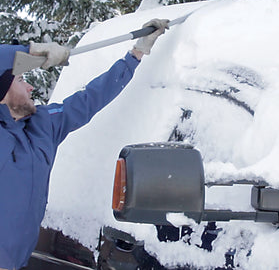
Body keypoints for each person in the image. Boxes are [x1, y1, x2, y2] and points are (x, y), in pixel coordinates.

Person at [0, 18, 169, 270]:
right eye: (22, 80)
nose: (31, 86)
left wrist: (136, 54)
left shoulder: (42, 126)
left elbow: (91, 98)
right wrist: (28, 52)